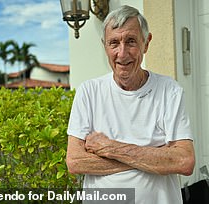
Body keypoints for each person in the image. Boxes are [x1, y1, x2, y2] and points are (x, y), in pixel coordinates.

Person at [66, 5, 195, 204]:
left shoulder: (170, 90)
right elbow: (75, 162)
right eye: (114, 43)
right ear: (104, 46)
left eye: (131, 41)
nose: (122, 53)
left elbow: (184, 161)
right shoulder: (88, 92)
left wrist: (110, 147)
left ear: (146, 43)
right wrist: (154, 157)